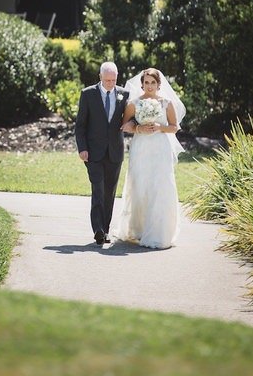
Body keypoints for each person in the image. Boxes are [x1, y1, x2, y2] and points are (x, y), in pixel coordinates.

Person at [114, 67, 185, 250]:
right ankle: (138, 229)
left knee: (160, 187)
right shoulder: (134, 103)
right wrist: (139, 128)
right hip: (141, 148)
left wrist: (159, 128)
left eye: (153, 82)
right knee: (140, 186)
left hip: (160, 148)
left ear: (158, 84)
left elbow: (174, 127)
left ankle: (158, 233)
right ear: (142, 83)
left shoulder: (166, 103)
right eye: (146, 82)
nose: (150, 86)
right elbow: (125, 126)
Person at [74, 61, 130, 246]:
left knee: (109, 192)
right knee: (98, 189)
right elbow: (80, 125)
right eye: (107, 80)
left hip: (115, 152)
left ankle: (105, 229)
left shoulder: (124, 94)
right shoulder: (88, 94)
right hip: (93, 152)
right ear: (100, 77)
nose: (110, 83)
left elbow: (130, 119)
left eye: (113, 80)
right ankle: (98, 230)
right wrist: (82, 148)